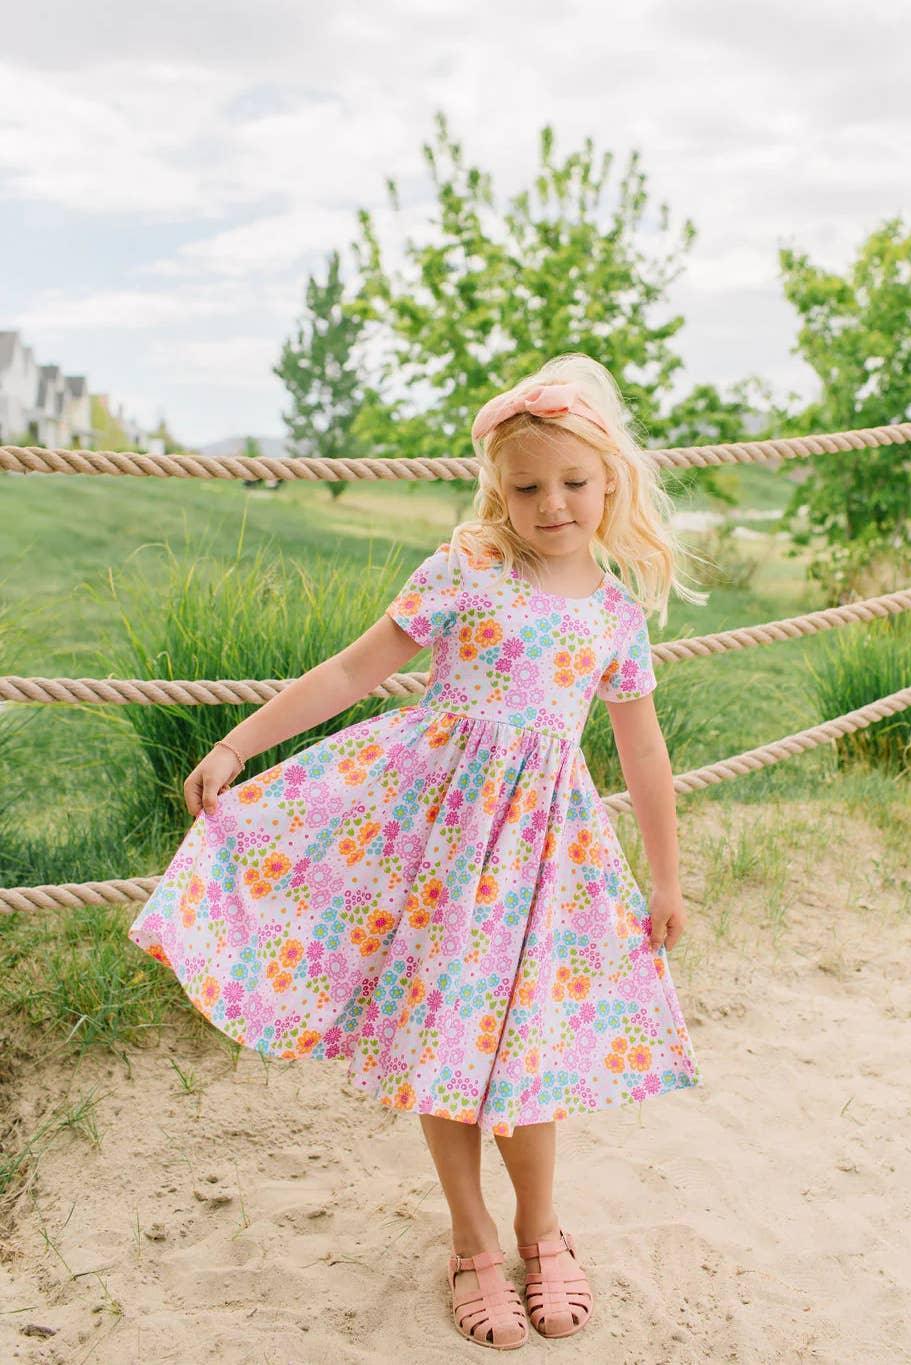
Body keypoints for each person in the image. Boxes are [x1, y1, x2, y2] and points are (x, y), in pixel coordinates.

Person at [126, 351, 707, 1350]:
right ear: (498, 490)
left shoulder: (613, 614)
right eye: (526, 487)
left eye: (573, 482)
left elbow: (643, 752)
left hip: (541, 862)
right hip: (436, 847)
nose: (551, 504)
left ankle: (540, 1226)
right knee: (447, 1038)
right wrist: (236, 745)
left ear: (610, 480)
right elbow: (352, 669)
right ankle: (471, 1235)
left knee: (522, 1045)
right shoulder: (465, 571)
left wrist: (665, 876)